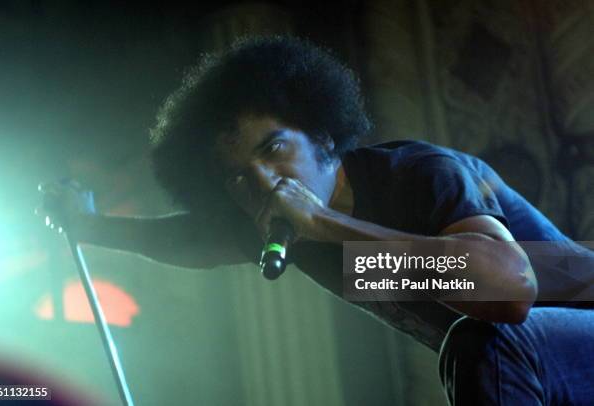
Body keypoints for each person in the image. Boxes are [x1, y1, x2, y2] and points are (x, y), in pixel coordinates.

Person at [38, 36, 594, 405]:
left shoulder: (420, 172)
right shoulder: (278, 228)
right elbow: (187, 239)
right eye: (235, 177)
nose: (261, 181)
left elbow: (511, 292)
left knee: (484, 345)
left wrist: (325, 225)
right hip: (548, 383)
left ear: (324, 135)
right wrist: (90, 225)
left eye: (275, 147)